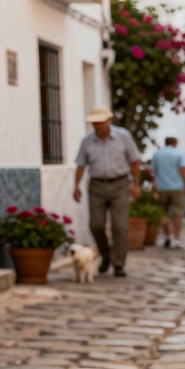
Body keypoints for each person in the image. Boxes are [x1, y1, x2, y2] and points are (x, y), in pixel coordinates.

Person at [73, 107, 141, 278]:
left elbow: (135, 160)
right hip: (96, 185)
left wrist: (136, 184)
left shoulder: (123, 136)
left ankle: (119, 264)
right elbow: (81, 164)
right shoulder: (87, 141)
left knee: (120, 226)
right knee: (95, 225)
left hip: (120, 183)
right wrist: (76, 186)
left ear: (108, 121)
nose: (98, 126)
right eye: (94, 123)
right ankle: (105, 254)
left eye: (100, 122)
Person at [150, 136, 185, 248]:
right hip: (177, 186)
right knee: (178, 211)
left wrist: (154, 187)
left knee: (163, 212)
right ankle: (176, 238)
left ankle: (168, 235)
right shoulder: (178, 154)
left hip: (162, 187)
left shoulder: (157, 154)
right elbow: (183, 170)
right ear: (175, 143)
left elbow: (152, 172)